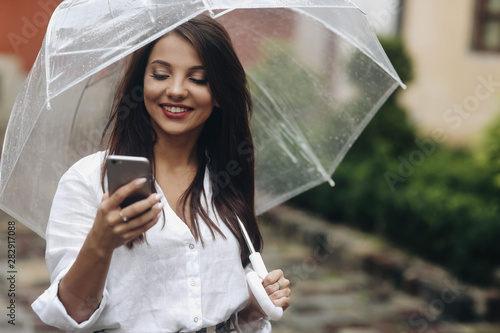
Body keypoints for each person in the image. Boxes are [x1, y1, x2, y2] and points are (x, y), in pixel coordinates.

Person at [32, 14, 291, 332]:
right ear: (141, 83)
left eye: (198, 79)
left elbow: (225, 317)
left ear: (221, 93)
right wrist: (101, 242)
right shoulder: (88, 181)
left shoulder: (225, 179)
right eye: (160, 74)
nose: (177, 90)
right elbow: (72, 311)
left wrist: (252, 305)